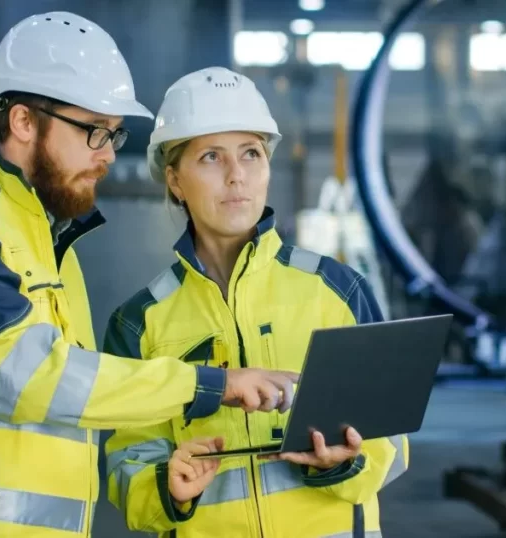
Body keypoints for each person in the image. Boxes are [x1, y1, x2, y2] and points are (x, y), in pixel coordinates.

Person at [0, 13, 298, 538]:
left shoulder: (51, 246)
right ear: (23, 122)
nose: (109, 155)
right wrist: (213, 385)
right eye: (94, 132)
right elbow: (30, 379)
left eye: (113, 134)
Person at [103, 66, 410, 538]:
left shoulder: (337, 289)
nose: (236, 176)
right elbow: (127, 470)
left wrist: (341, 462)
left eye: (251, 153)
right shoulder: (138, 324)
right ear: (175, 180)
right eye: (210, 157)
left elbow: (392, 442)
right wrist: (168, 487)